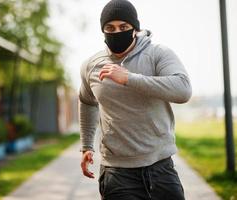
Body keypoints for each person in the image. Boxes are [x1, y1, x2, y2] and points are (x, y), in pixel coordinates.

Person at [79, 0, 192, 199]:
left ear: (135, 29)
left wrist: (130, 79)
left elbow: (183, 90)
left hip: (160, 167)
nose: (116, 32)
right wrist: (87, 146)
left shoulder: (158, 54)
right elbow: (87, 101)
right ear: (103, 31)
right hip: (117, 172)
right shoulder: (91, 66)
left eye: (123, 27)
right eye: (110, 28)